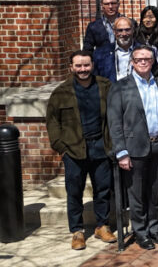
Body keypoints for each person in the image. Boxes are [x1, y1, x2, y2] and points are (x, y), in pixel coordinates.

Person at [45, 51, 118, 250]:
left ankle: (102, 226)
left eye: (86, 65)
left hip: (101, 146)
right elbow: (52, 121)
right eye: (78, 66)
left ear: (92, 65)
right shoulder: (61, 92)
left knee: (103, 189)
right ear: (71, 67)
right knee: (74, 191)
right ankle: (77, 231)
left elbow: (116, 113)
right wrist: (61, 147)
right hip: (74, 149)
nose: (83, 69)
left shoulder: (105, 86)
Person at [106, 46, 158, 250]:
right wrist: (121, 152)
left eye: (147, 59)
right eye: (138, 59)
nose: (143, 62)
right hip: (134, 148)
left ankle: (154, 228)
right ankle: (140, 232)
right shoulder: (121, 87)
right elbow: (114, 121)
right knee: (137, 194)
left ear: (153, 61)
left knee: (154, 191)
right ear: (132, 62)